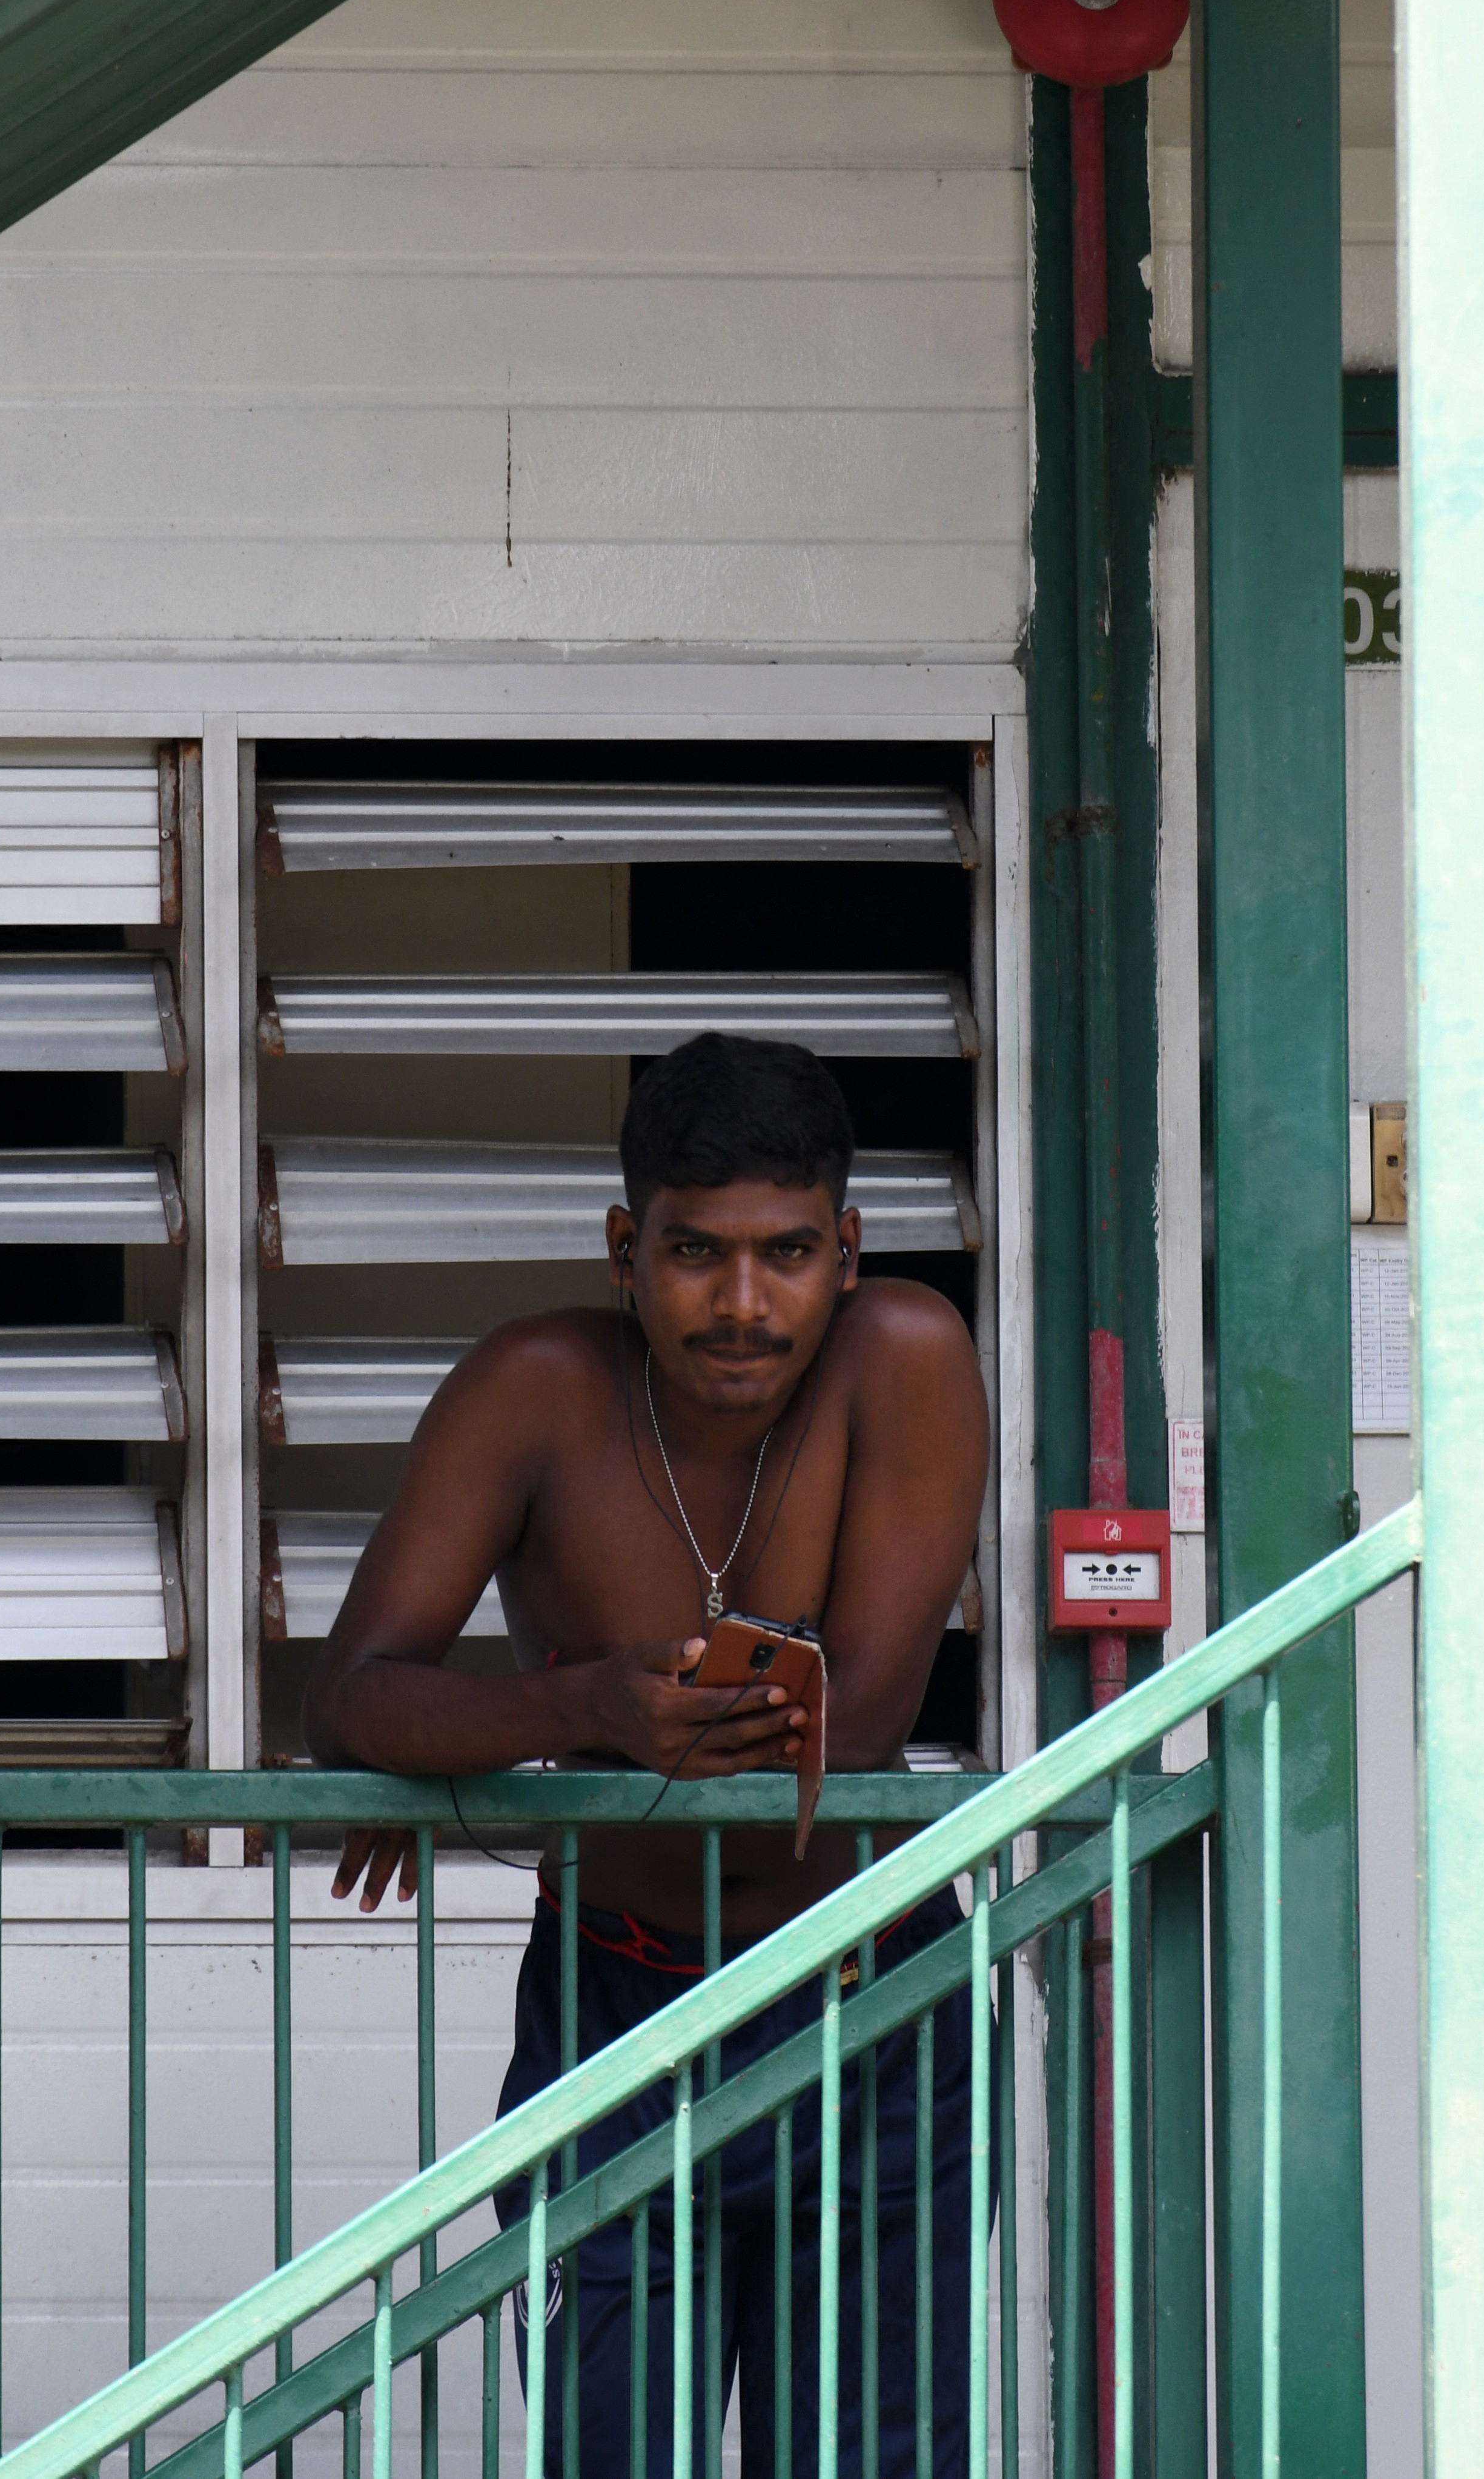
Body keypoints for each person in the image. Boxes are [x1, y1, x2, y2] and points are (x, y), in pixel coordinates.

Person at [305, 1030, 991, 2479]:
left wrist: (477, 1736)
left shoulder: (906, 1356)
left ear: (849, 1250)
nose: (743, 1304)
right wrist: (581, 1713)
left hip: (871, 1996)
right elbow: (354, 1696)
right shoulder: (536, 1388)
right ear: (628, 1248)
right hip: (613, 2001)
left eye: (788, 1252)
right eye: (697, 1253)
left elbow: (852, 1729)